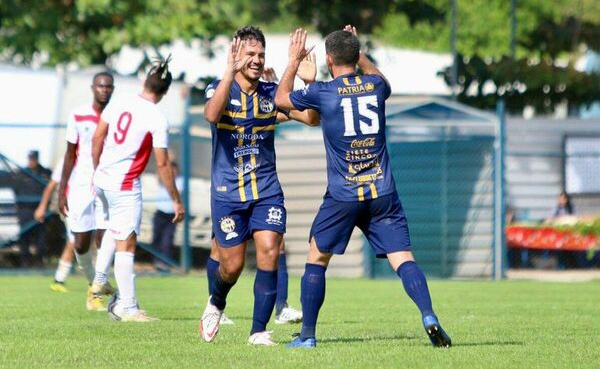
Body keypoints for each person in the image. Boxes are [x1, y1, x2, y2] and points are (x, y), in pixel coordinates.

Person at [274, 26, 452, 348]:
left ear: (328, 59)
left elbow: (280, 99)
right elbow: (385, 82)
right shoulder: (374, 85)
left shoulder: (325, 91)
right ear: (357, 56)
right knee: (403, 258)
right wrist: (362, 56)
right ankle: (428, 315)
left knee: (316, 257)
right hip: (382, 191)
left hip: (343, 194)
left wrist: (293, 62)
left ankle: (307, 336)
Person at [199, 26, 318, 346]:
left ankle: (258, 331)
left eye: (260, 55)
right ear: (237, 56)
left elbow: (311, 118)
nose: (255, 60)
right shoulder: (218, 89)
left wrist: (309, 82)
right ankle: (216, 303)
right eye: (249, 54)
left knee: (269, 251)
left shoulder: (270, 94)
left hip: (266, 191)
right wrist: (228, 71)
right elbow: (211, 114)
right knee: (233, 265)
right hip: (228, 194)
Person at [93, 56, 184, 322]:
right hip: (124, 184)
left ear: (144, 81)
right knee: (127, 242)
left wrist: (98, 167)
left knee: (113, 228)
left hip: (102, 178)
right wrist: (176, 200)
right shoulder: (156, 117)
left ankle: (100, 279)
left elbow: (99, 135)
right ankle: (128, 307)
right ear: (165, 92)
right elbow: (164, 163)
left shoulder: (119, 101)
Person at [57, 72, 117, 311]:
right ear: (93, 87)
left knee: (104, 237)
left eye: (109, 86)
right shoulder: (78, 114)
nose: (104, 90)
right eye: (101, 86)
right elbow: (70, 154)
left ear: (113, 89)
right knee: (80, 242)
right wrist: (62, 190)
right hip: (81, 184)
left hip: (107, 182)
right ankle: (94, 282)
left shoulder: (117, 115)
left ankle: (96, 293)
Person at [34, 158, 75, 292]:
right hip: (73, 206)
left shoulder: (101, 153)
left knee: (94, 241)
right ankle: (59, 279)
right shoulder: (67, 159)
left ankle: (97, 281)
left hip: (96, 206)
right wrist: (42, 207)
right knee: (75, 241)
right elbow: (51, 185)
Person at [14, 150, 52, 267]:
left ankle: (39, 262)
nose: (31, 161)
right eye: (30, 159)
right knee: (24, 237)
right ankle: (24, 262)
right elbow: (16, 189)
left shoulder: (46, 173)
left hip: (40, 209)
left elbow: (50, 189)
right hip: (25, 210)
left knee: (41, 237)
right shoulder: (22, 173)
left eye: (33, 159)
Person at [152, 160, 184, 272]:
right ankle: (157, 262)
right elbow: (159, 170)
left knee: (167, 240)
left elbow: (177, 193)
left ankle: (165, 263)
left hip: (171, 215)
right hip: (160, 212)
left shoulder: (180, 181)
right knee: (156, 239)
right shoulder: (163, 179)